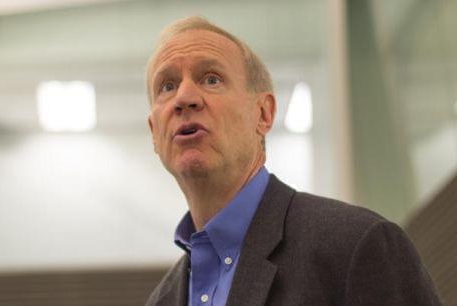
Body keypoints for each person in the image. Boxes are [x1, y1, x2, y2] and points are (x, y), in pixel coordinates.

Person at [144, 16, 441, 306]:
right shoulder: (162, 299)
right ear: (154, 134)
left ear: (263, 114)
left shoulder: (356, 246)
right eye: (167, 86)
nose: (184, 97)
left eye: (211, 79)